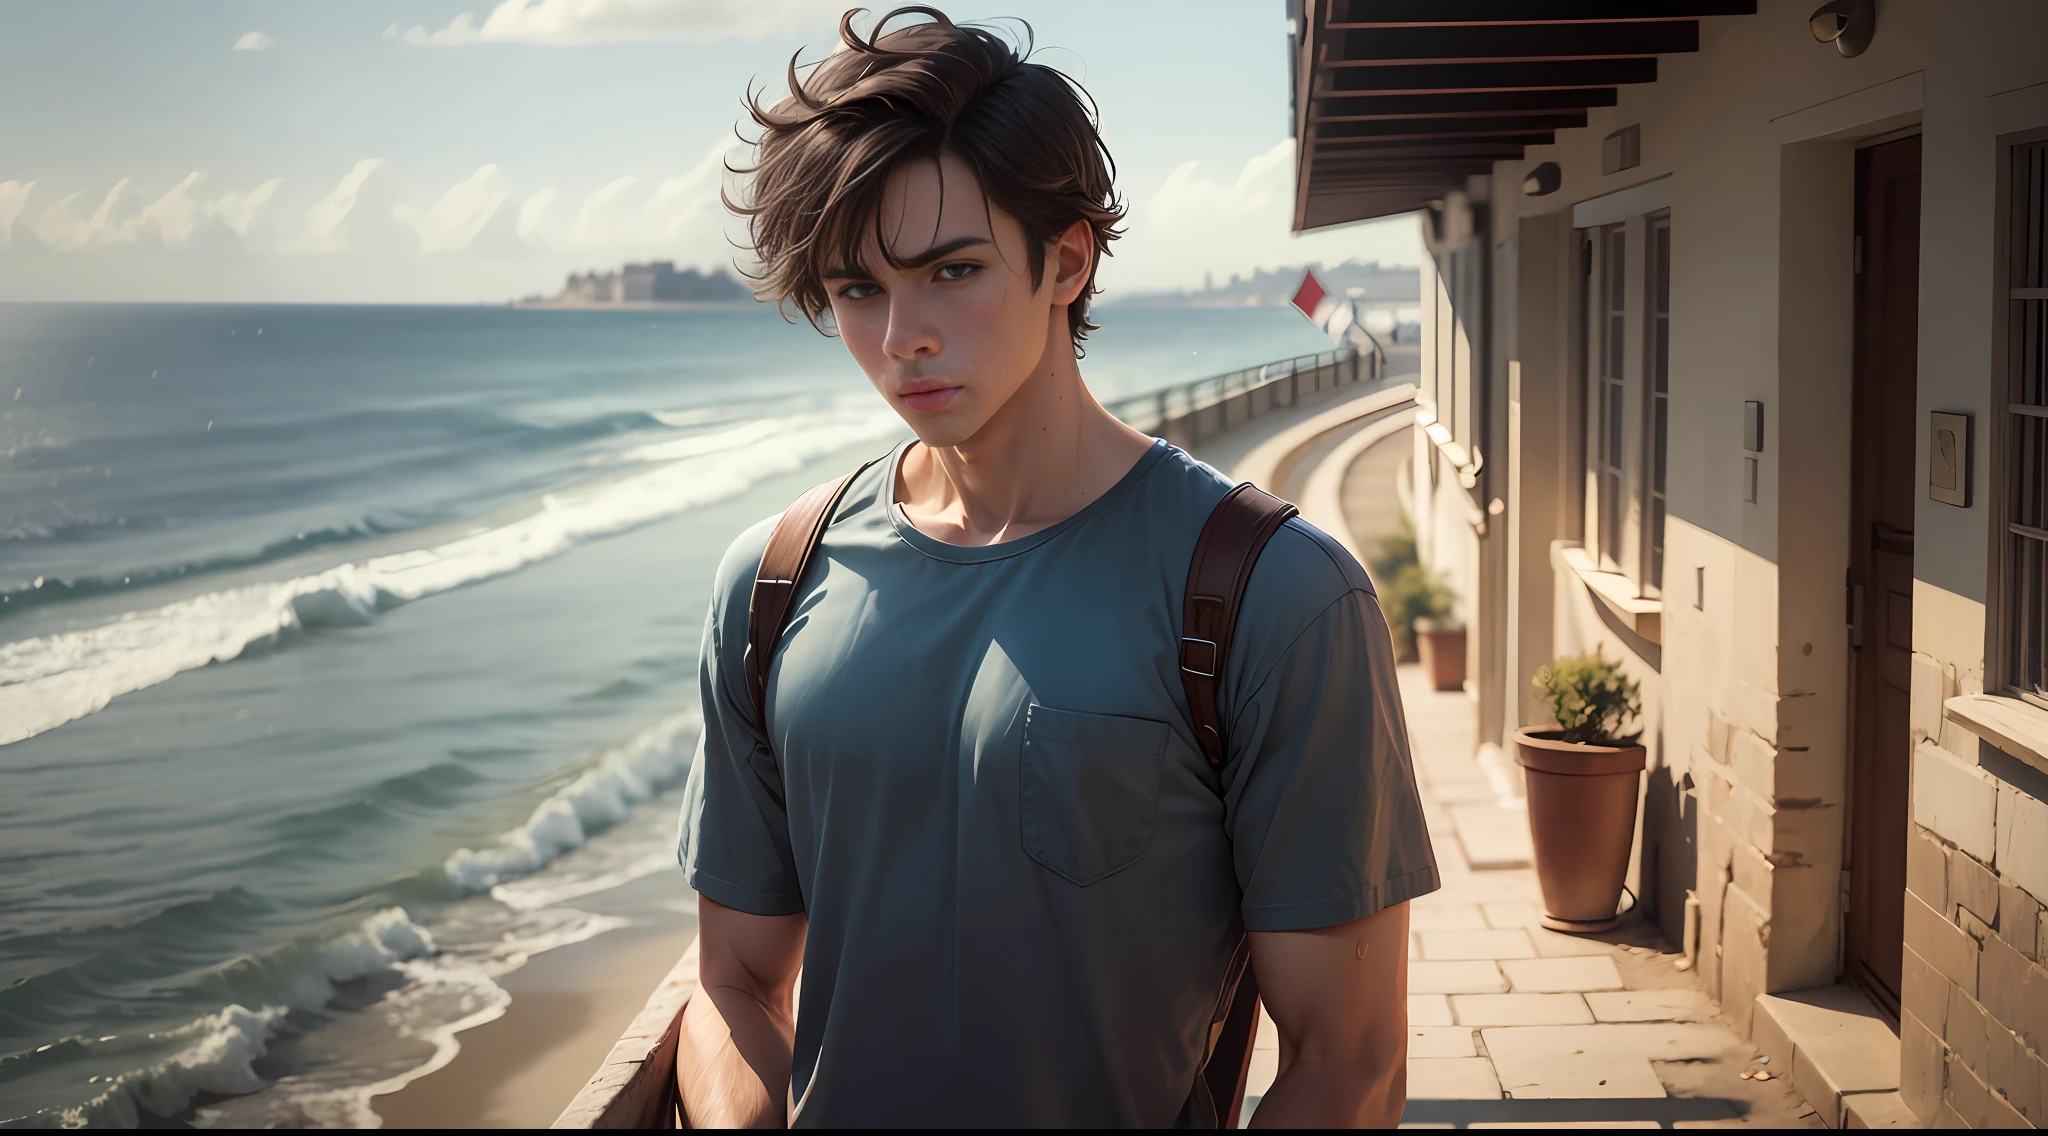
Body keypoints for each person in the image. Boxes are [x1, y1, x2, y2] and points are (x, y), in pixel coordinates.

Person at [675, 7, 1436, 1127]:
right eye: (856, 289)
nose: (902, 337)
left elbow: (1347, 1061)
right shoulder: (773, 582)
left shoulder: (1272, 594)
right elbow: (730, 980)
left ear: (1064, 259)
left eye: (952, 269)